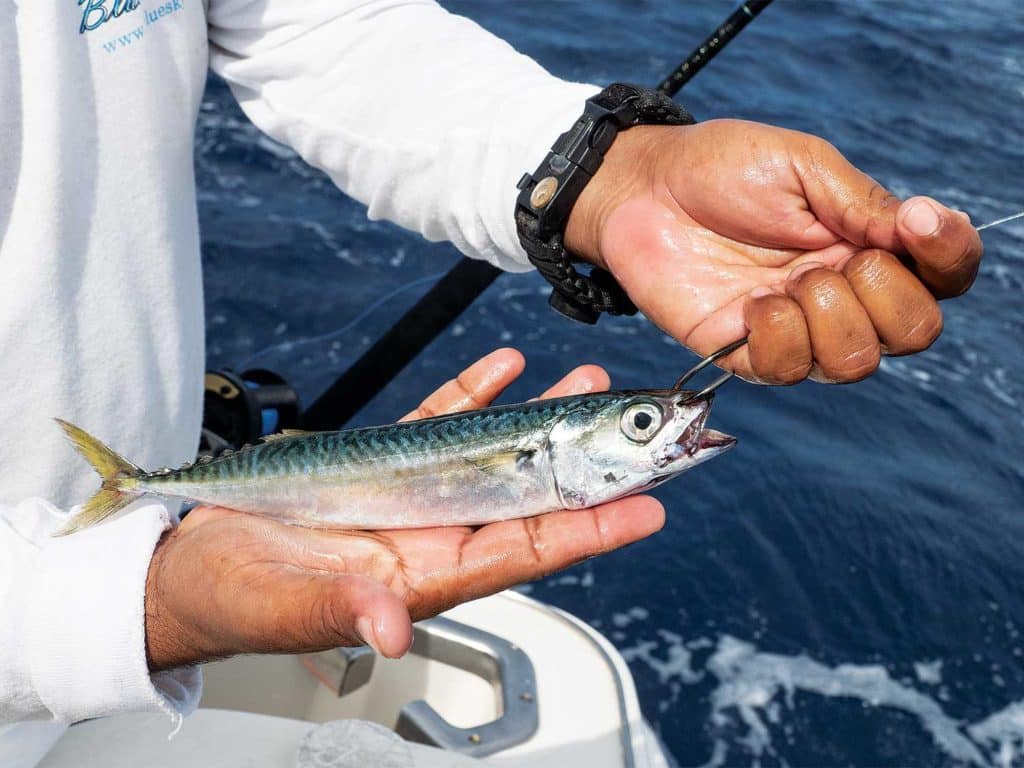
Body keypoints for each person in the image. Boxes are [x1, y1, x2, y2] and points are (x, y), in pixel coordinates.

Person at [0, 0, 981, 747]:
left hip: (136, 664)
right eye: (637, 428)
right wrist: (127, 607)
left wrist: (606, 176)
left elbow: (320, 25)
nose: (663, 430)